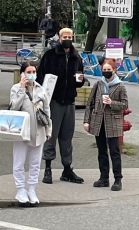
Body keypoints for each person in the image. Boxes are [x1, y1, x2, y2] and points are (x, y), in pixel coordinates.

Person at [36, 27, 85, 184]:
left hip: (69, 102)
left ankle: (67, 169)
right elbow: (39, 77)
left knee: (67, 137)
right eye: (65, 36)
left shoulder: (76, 56)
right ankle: (48, 168)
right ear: (59, 37)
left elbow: (80, 79)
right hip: (54, 102)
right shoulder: (50, 55)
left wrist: (80, 80)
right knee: (51, 136)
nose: (67, 38)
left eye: (70, 36)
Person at [10, 61, 52, 206]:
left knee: (35, 163)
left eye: (34, 71)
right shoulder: (16, 88)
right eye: (29, 72)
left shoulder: (41, 89)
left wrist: (48, 130)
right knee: (19, 162)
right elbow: (13, 107)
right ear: (22, 73)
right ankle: (20, 189)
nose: (32, 74)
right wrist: (22, 88)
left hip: (39, 131)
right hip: (21, 131)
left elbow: (47, 111)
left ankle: (32, 189)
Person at [83, 58, 128, 191]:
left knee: (114, 151)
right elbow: (89, 104)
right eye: (104, 70)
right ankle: (104, 178)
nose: (106, 72)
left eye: (109, 70)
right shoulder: (98, 84)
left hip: (113, 122)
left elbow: (125, 105)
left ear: (114, 70)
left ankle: (118, 179)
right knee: (101, 151)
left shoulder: (120, 86)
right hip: (98, 122)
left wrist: (111, 102)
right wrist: (86, 121)